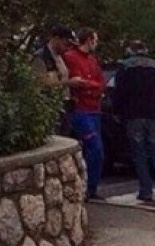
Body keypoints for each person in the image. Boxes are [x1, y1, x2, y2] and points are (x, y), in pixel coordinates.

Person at [111, 40, 155, 202]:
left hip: (134, 116)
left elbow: (119, 93)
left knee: (139, 155)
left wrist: (117, 112)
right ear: (145, 50)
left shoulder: (125, 67)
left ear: (131, 50)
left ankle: (146, 191)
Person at [62, 27, 106, 201]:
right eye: (95, 40)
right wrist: (91, 86)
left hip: (94, 109)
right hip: (81, 109)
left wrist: (91, 86)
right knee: (94, 147)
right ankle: (87, 188)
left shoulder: (92, 60)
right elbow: (79, 83)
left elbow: (100, 82)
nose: (96, 43)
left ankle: (92, 188)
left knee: (98, 152)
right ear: (88, 40)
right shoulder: (71, 57)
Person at [31, 25, 84, 135]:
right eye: (66, 44)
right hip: (49, 108)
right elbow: (41, 84)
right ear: (56, 39)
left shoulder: (61, 57)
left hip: (65, 105)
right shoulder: (40, 58)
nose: (67, 48)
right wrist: (69, 83)